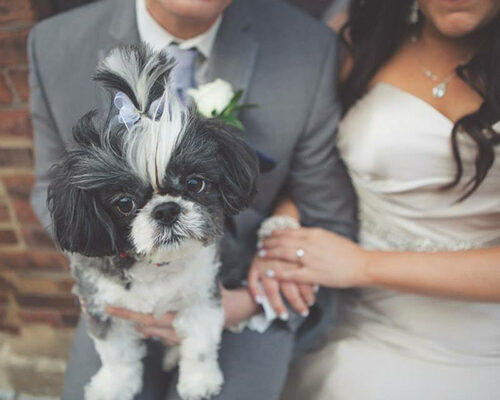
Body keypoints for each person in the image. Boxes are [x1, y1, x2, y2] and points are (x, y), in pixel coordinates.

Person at [28, 0, 357, 398]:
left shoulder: (309, 47)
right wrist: (99, 265)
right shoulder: (53, 45)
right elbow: (51, 189)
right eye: (128, 203)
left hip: (243, 285)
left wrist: (255, 298)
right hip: (117, 281)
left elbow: (326, 209)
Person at [250, 0, 500, 398]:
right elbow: (313, 166)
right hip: (357, 327)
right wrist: (285, 229)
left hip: (483, 347)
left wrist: (363, 265)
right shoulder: (358, 40)